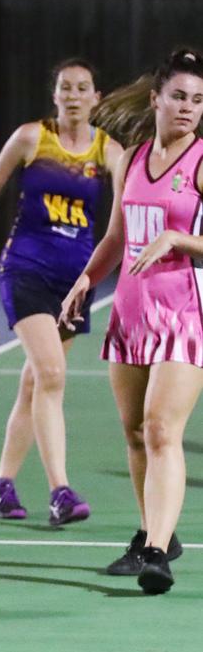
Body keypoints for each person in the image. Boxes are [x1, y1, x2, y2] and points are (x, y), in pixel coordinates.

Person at [60, 48, 203, 594]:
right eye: (179, 97)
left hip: (185, 310)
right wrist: (84, 280)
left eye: (197, 100)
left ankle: (157, 556)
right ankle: (154, 532)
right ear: (156, 100)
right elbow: (118, 238)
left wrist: (178, 239)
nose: (188, 108)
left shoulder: (200, 161)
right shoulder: (131, 159)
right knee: (136, 433)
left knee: (164, 428)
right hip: (131, 309)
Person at [0, 60, 123, 524]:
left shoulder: (109, 152)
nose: (74, 94)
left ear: (96, 97)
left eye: (83, 88)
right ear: (55, 95)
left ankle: (2, 486)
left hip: (74, 284)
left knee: (33, 383)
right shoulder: (30, 138)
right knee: (52, 373)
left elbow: (127, 215)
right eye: (66, 87)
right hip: (25, 270)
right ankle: (61, 491)